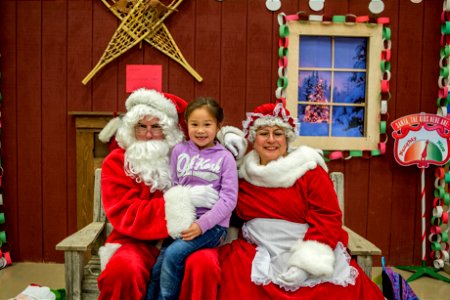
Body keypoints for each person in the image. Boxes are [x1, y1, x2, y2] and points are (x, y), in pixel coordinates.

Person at [174, 101, 385, 299]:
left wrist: (306, 265)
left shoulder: (309, 170)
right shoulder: (243, 175)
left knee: (332, 290)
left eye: (278, 134)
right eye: (263, 133)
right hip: (257, 249)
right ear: (253, 140)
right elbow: (220, 194)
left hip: (305, 245)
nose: (271, 140)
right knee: (233, 279)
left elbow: (328, 217)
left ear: (288, 138)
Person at [96, 88, 244, 300]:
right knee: (123, 269)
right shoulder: (118, 162)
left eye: (156, 126)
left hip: (193, 234)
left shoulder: (180, 152)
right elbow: (126, 213)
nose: (148, 134)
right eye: (141, 127)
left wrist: (226, 135)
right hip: (136, 241)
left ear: (168, 129)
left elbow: (201, 123)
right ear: (131, 128)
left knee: (204, 265)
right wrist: (183, 200)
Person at [147, 97, 238, 300]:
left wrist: (201, 225)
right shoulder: (179, 151)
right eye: (194, 124)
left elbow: (229, 200)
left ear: (218, 126)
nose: (200, 130)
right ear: (186, 125)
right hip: (182, 222)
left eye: (207, 124)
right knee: (157, 267)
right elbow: (172, 188)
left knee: (172, 255)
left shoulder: (225, 158)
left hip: (212, 228)